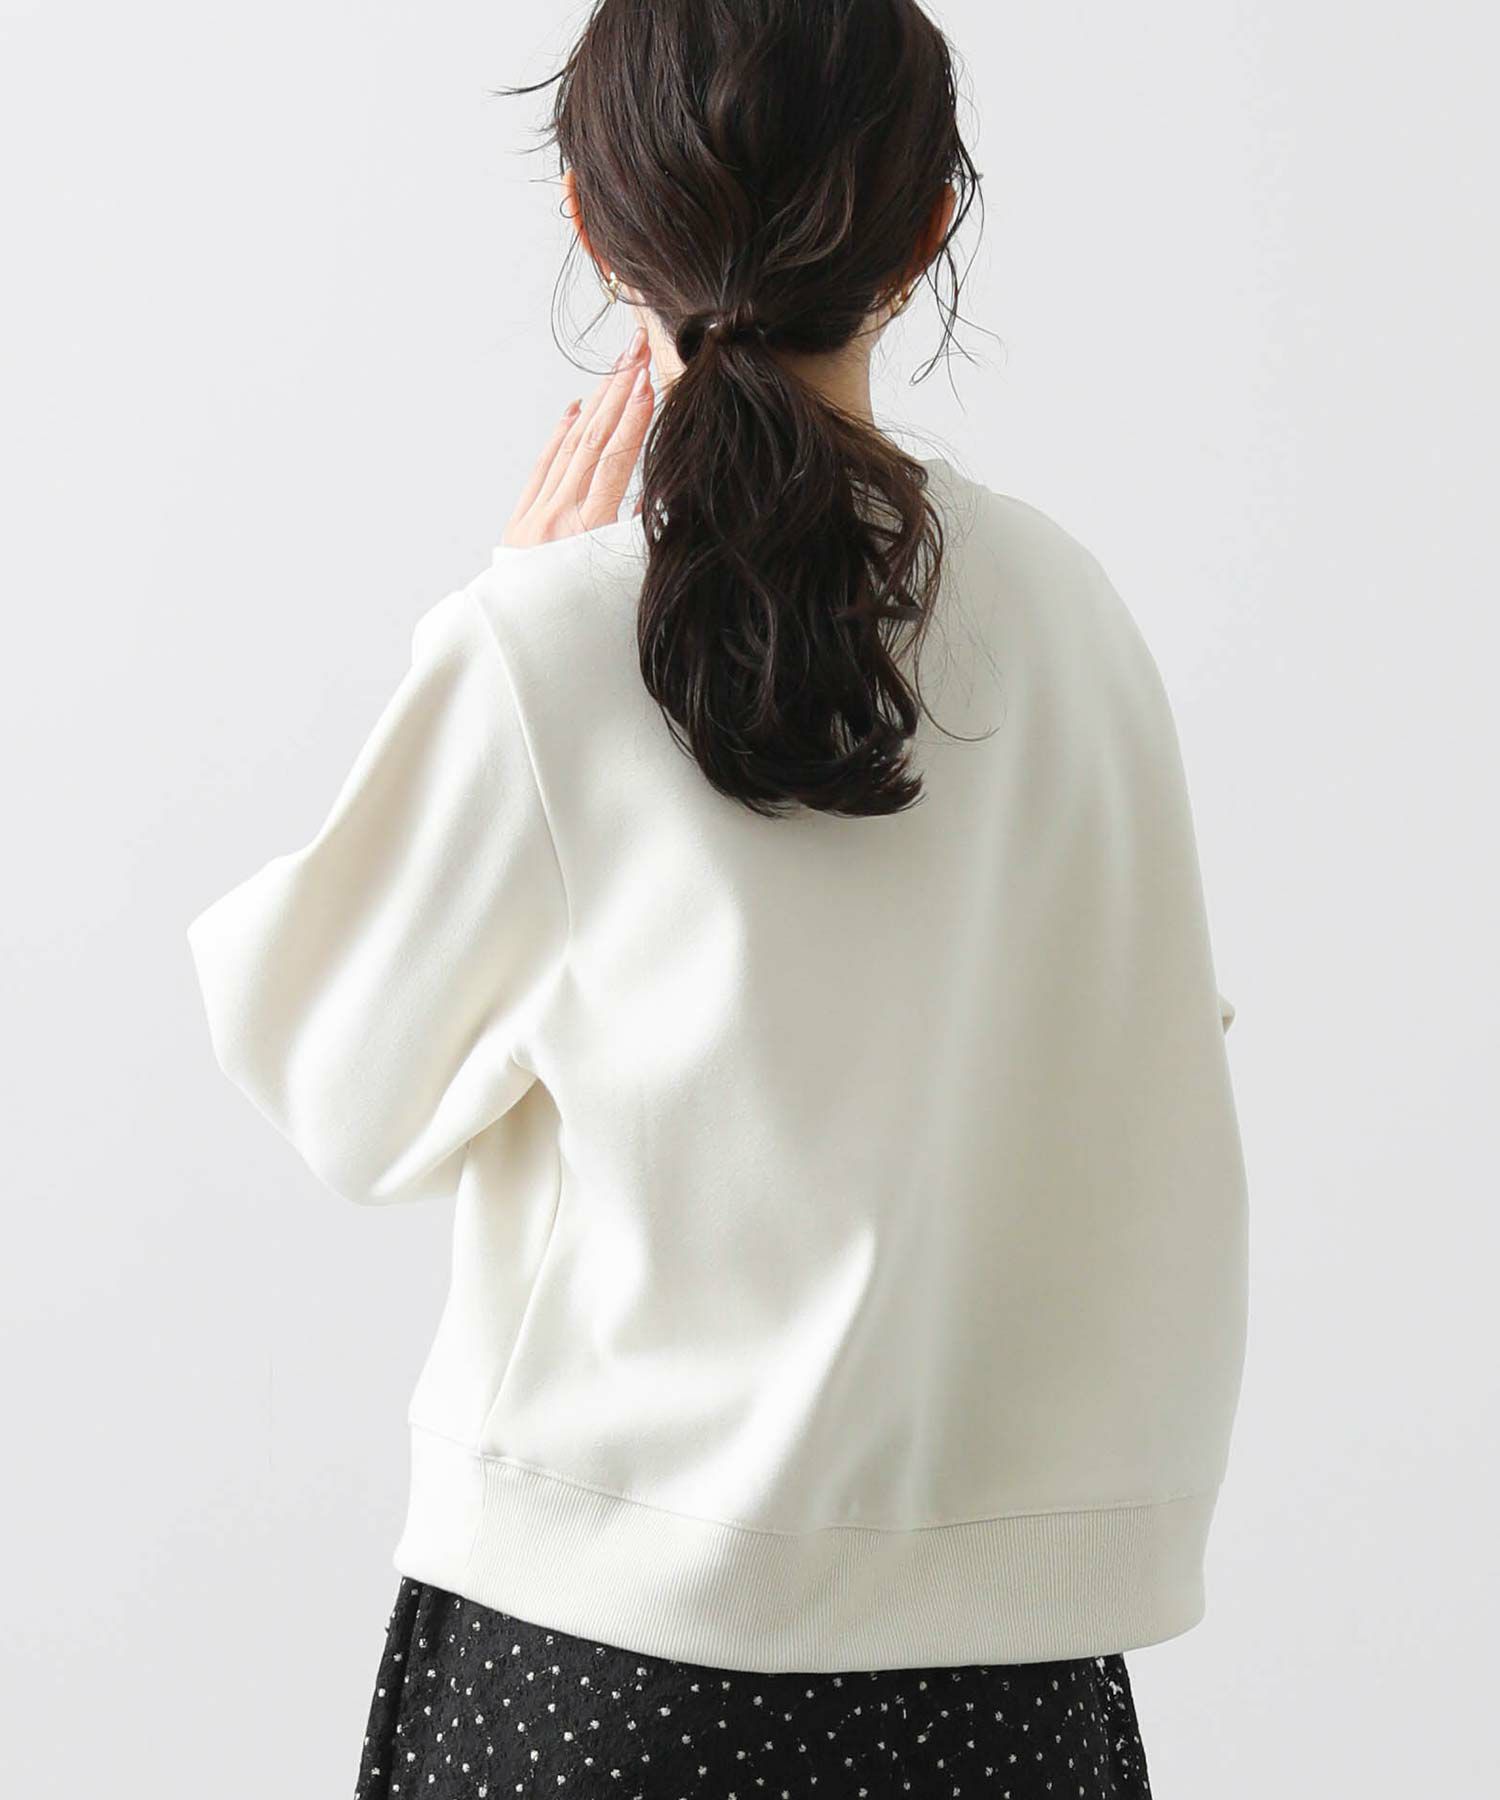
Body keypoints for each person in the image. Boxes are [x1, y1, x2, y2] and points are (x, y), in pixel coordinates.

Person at [184, 2, 1248, 1794]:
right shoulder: (1074, 621)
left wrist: (498, 613)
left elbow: (338, 1088)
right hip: (1007, 1690)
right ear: (929, 224)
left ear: (594, 224)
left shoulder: (545, 642)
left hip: (600, 1674)